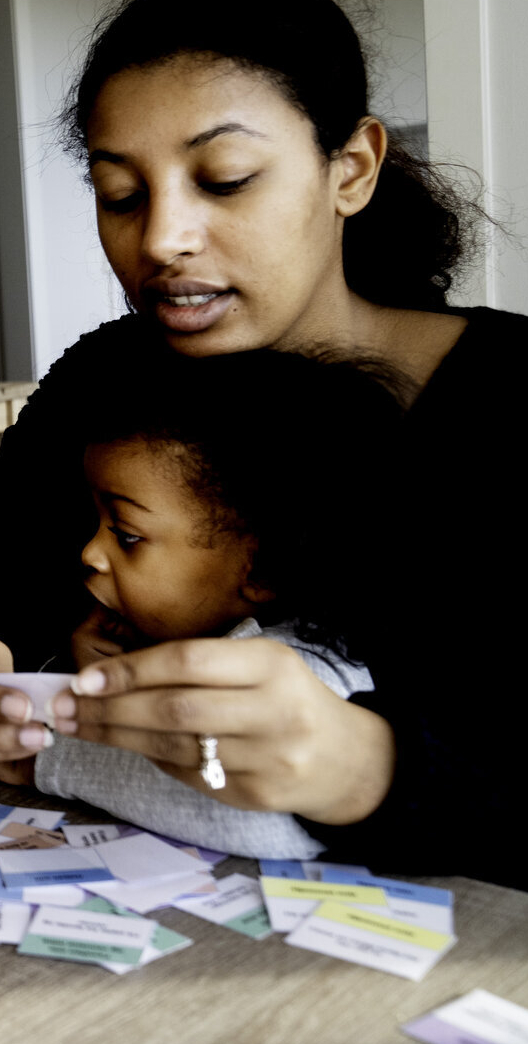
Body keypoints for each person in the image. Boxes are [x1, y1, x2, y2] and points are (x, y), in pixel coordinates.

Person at [0, 0, 528, 889]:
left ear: (353, 168)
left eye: (225, 178)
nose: (160, 239)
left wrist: (366, 768)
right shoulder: (108, 377)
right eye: (121, 193)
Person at [26, 349, 403, 857]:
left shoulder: (305, 667)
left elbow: (256, 815)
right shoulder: (180, 631)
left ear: (262, 569)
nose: (90, 553)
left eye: (127, 535)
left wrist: (38, 758)